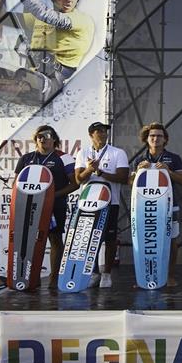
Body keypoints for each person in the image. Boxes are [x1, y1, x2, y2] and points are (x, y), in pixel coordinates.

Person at [0, 0, 95, 100]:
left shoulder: (82, 20)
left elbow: (46, 15)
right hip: (30, 74)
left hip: (50, 83)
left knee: (15, 86)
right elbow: (5, 18)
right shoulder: (40, 19)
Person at [14, 125, 79, 289]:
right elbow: (16, 184)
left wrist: (50, 197)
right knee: (29, 241)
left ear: (54, 139)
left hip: (54, 206)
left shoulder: (64, 158)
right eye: (39, 136)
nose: (43, 138)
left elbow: (75, 184)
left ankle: (54, 279)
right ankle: (30, 277)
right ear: (36, 139)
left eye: (47, 135)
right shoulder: (26, 158)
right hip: (30, 206)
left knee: (55, 239)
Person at [130, 122, 182, 287]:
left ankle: (169, 276)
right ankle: (144, 276)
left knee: (170, 240)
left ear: (165, 139)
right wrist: (139, 172)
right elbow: (130, 182)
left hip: (168, 206)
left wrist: (169, 172)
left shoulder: (174, 158)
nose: (155, 138)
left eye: (159, 136)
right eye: (152, 136)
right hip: (144, 208)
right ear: (146, 139)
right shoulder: (140, 159)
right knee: (144, 240)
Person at [74, 122, 129, 288]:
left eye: (104, 131)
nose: (103, 133)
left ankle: (107, 274)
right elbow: (78, 180)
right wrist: (89, 170)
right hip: (88, 203)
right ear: (91, 135)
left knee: (110, 239)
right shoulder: (83, 153)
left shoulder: (118, 153)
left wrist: (100, 172)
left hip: (110, 202)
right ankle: (94, 273)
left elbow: (122, 178)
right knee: (91, 239)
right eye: (99, 131)